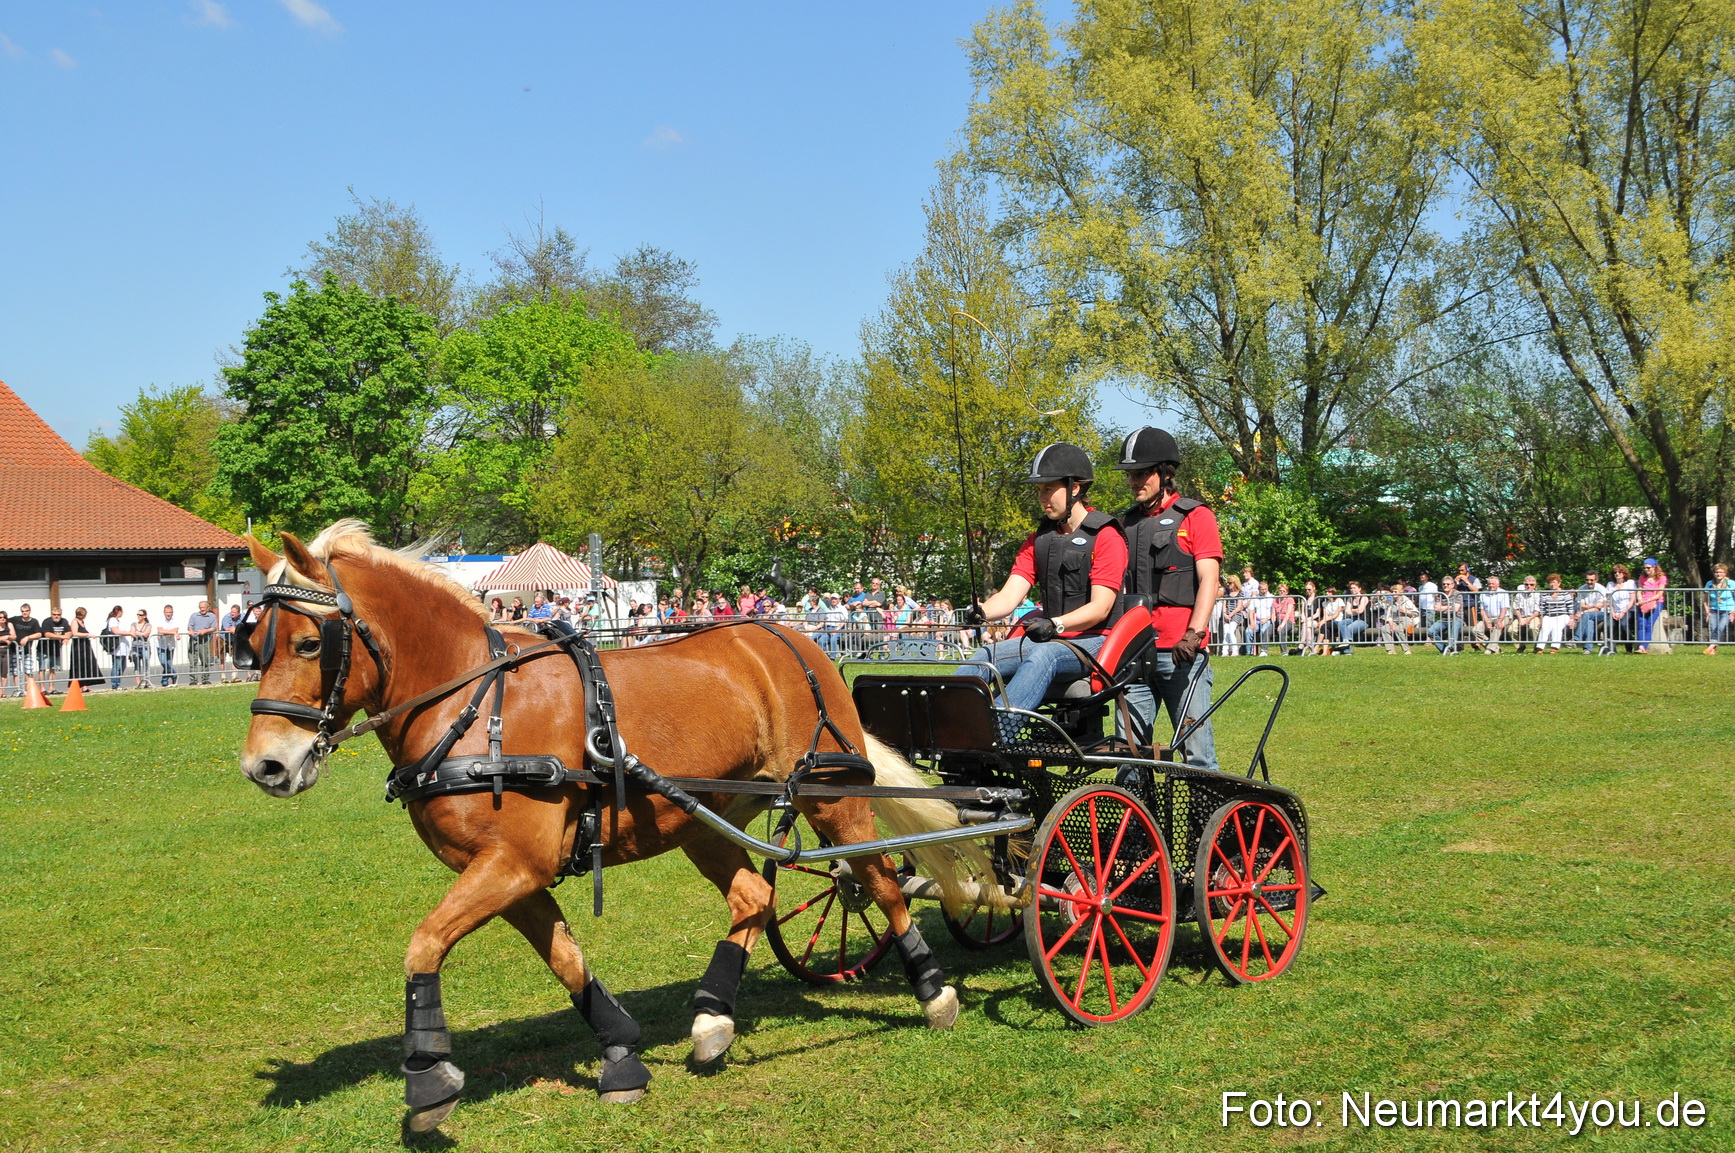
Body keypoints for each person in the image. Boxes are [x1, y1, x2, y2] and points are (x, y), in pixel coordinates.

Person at [960, 441, 1128, 719]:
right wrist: (983, 612)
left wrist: (1055, 624)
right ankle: (945, 725)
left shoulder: (1106, 536)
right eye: (1039, 490)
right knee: (984, 657)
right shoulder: (1040, 540)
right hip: (1052, 638)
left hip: (1095, 641)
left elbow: (1101, 608)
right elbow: (1010, 595)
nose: (1041, 497)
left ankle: (996, 731)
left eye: (1048, 488)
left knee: (1043, 656)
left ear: (1075, 488)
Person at [1109, 427, 1220, 769]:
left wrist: (1195, 633)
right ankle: (1135, 821)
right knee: (1127, 753)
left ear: (1165, 473)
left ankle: (1203, 819)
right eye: (1131, 475)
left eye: (1142, 473)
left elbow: (1210, 580)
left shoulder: (1196, 516)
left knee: (1195, 752)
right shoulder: (1124, 524)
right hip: (1134, 654)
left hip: (1180, 654)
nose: (1134, 481)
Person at [1470, 576, 1511, 654]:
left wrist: (1500, 620)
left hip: (1502, 617)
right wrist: (1486, 621)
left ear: (1498, 584)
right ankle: (1494, 647)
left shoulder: (1504, 593)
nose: (1491, 585)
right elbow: (1482, 610)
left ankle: (1490, 649)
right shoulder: (1483, 594)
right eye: (1489, 584)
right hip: (1488, 617)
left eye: (1493, 584)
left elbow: (1504, 609)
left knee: (1497, 626)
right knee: (1475, 630)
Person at [1571, 571, 1608, 655]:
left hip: (1602, 614)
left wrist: (1585, 610)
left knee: (1586, 615)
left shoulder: (1601, 589)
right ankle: (1588, 648)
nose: (1589, 582)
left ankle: (1576, 638)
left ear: (1596, 580)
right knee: (1589, 621)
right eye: (1587, 580)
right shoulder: (1581, 588)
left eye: (1591, 580)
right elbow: (1581, 605)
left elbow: (1599, 607)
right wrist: (1592, 606)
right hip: (1588, 614)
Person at [1377, 582, 1418, 653]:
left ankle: (1406, 650)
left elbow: (1416, 613)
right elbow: (1388, 614)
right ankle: (1390, 650)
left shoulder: (1407, 601)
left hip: (1407, 620)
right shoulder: (1391, 602)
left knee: (1398, 629)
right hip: (1395, 620)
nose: (1393, 593)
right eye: (1392, 591)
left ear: (1401, 592)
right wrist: (1390, 622)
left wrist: (1406, 611)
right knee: (1384, 628)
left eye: (1395, 591)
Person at [1538, 574, 1575, 653]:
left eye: (1554, 582)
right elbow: (1542, 609)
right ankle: (1539, 648)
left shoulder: (1565, 594)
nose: (1552, 584)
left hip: (1562, 615)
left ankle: (1554, 648)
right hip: (1549, 615)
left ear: (1559, 583)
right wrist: (1541, 620)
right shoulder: (1545, 594)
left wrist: (1571, 620)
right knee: (1544, 628)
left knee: (1557, 627)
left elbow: (1570, 608)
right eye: (1550, 582)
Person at [1636, 559, 1667, 653]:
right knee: (1642, 624)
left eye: (1648, 568)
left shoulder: (1661, 577)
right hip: (1643, 603)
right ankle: (1641, 646)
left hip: (1656, 602)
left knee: (1650, 624)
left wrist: (1648, 601)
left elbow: (1659, 594)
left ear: (1654, 567)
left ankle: (1643, 647)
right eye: (1645, 568)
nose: (1646, 570)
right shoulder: (1642, 577)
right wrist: (1640, 599)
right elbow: (1639, 591)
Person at [39, 606, 72, 693]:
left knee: (53, 669)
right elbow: (47, 634)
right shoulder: (47, 622)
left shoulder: (64, 621)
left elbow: (69, 631)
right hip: (44, 649)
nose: (56, 616)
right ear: (51, 614)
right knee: (42, 669)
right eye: (54, 614)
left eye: (58, 614)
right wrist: (62, 636)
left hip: (56, 649)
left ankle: (52, 688)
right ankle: (42, 688)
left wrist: (67, 638)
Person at [186, 599, 218, 686]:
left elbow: (214, 628)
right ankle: (193, 680)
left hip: (204, 640)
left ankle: (205, 679)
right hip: (194, 640)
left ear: (208, 608)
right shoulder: (194, 615)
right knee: (193, 661)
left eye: (203, 607)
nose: (202, 609)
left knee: (205, 660)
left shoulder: (212, 616)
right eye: (200, 607)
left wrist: (205, 631)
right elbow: (190, 626)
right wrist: (191, 630)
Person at [1427, 577, 1464, 653]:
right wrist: (1449, 607)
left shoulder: (1457, 594)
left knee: (1454, 628)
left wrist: (1443, 608)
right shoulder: (1441, 595)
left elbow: (1456, 609)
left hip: (1456, 619)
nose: (1445, 585)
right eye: (1444, 584)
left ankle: (1452, 648)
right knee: (1431, 631)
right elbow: (1436, 608)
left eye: (1448, 584)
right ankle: (1444, 649)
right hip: (1443, 620)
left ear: (1452, 585)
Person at [10, 604, 41, 691]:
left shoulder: (34, 622)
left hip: (27, 651)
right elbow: (4, 622)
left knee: (28, 670)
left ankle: (29, 689)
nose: (24, 613)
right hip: (14, 650)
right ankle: (18, 689)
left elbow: (39, 633)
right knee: (16, 671)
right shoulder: (15, 619)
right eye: (23, 611)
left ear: (29, 611)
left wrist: (27, 638)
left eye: (26, 611)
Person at [1607, 563, 1637, 653]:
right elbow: (1609, 600)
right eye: (1615, 572)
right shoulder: (1610, 585)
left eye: (1619, 572)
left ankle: (1629, 648)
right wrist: (1613, 612)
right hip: (1614, 611)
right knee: (1608, 625)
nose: (1617, 574)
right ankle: (1612, 648)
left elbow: (1632, 600)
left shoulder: (1630, 583)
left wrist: (1623, 612)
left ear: (1624, 573)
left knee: (1624, 625)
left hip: (1627, 610)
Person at [1704, 562, 1732, 655]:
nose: (1718, 574)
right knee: (1713, 628)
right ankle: (1713, 650)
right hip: (1714, 609)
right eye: (1716, 572)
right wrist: (1707, 612)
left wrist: (1734, 611)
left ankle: (1711, 646)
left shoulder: (1731, 583)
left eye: (1721, 572)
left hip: (1728, 610)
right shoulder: (1709, 583)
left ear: (1725, 573)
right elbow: (1705, 599)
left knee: (1721, 627)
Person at [69, 607, 100, 688]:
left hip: (85, 646)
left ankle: (85, 685)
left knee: (86, 665)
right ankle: (78, 685)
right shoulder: (74, 621)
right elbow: (75, 633)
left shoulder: (82, 622)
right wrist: (87, 634)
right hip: (78, 647)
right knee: (78, 665)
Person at [101, 605, 130, 690]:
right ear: (119, 611)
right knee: (117, 666)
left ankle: (118, 683)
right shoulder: (113, 620)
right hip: (118, 648)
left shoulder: (117, 620)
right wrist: (129, 633)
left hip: (123, 647)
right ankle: (115, 684)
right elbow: (115, 631)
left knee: (122, 666)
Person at [1337, 581, 1371, 652]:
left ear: (1359, 589)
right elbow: (1347, 612)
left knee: (1348, 629)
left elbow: (1360, 610)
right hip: (1353, 619)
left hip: (1363, 620)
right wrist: (1355, 610)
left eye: (1354, 588)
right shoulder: (1350, 598)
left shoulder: (1364, 597)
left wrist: (1352, 610)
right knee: (1341, 623)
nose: (1352, 590)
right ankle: (1346, 647)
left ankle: (1347, 650)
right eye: (1351, 588)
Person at [1511, 576, 1542, 652]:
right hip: (1521, 617)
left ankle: (1537, 647)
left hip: (1534, 616)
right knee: (1510, 630)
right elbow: (1517, 609)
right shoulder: (1519, 595)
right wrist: (1520, 619)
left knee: (1533, 627)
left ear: (1535, 586)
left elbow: (1538, 611)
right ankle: (1520, 646)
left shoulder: (1538, 595)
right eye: (1526, 584)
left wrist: (1528, 620)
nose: (1529, 586)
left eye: (1531, 584)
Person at [156, 604, 180, 686]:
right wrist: (173, 632)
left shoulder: (175, 620)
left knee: (168, 663)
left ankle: (164, 681)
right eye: (167, 612)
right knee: (163, 662)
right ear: (164, 612)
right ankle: (174, 674)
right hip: (161, 645)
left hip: (170, 645)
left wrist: (168, 631)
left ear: (172, 612)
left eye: (170, 612)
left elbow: (175, 629)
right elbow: (160, 630)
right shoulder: (160, 620)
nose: (168, 614)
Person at [219, 604, 242, 682]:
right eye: (231, 611)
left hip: (234, 640)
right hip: (223, 639)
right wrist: (235, 629)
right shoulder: (226, 617)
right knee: (222, 658)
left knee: (234, 658)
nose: (232, 613)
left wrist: (236, 629)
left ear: (238, 613)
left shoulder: (242, 617)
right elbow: (227, 628)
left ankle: (234, 676)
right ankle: (223, 676)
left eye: (234, 612)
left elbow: (244, 626)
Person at [130, 609, 153, 688]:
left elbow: (146, 634)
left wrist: (138, 633)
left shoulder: (148, 625)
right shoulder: (133, 624)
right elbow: (132, 633)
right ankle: (138, 683)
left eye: (140, 615)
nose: (138, 616)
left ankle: (146, 682)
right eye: (138, 614)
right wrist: (141, 634)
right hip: (135, 647)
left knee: (146, 664)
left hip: (145, 647)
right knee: (137, 665)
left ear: (144, 616)